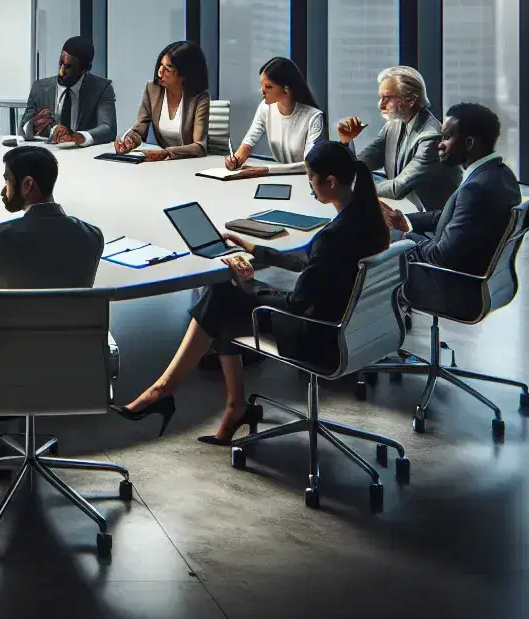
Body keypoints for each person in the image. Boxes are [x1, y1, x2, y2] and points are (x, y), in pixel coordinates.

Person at [116, 140, 390, 442]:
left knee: (224, 297)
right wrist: (253, 249)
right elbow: (311, 263)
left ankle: (167, 391)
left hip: (318, 337)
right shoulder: (368, 221)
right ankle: (227, 405)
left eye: (311, 179)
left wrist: (251, 285)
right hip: (350, 330)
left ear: (330, 181)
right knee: (226, 300)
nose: (310, 188)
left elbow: (298, 304)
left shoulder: (333, 237)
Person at [0, 145, 105, 383]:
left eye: (7, 181)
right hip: (71, 362)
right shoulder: (92, 236)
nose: (3, 191)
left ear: (28, 185)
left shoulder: (0, 238)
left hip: (9, 365)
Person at [384, 102, 522, 311]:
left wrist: (407, 238)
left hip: (454, 290)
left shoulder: (475, 189)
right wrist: (407, 221)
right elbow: (452, 215)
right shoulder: (501, 175)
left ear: (469, 143)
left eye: (447, 137)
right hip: (483, 281)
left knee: (377, 246)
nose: (440, 144)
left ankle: (375, 328)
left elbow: (441, 257)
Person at [336, 65, 459, 211]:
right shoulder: (393, 126)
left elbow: (397, 188)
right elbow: (362, 164)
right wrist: (346, 141)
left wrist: (350, 186)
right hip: (402, 211)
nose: (380, 105)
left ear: (412, 100)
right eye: (380, 97)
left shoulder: (431, 136)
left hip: (428, 221)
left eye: (387, 98)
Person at [225, 57, 327, 175]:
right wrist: (236, 159)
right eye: (262, 85)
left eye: (268, 87)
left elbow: (310, 164)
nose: (262, 91)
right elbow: (249, 140)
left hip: (307, 179)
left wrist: (267, 169)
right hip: (278, 177)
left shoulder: (313, 117)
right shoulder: (265, 108)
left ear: (286, 89)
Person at [113, 41, 213, 161]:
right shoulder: (152, 90)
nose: (160, 72)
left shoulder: (199, 97)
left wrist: (165, 153)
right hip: (164, 166)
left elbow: (199, 147)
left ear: (184, 75)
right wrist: (130, 141)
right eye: (160, 65)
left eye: (168, 69)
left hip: (191, 164)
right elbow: (140, 130)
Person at [17, 36, 117, 147]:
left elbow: (108, 129)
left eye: (68, 67)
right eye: (61, 63)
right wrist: (32, 126)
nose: (61, 71)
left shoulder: (101, 88)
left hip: (84, 157)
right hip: (48, 154)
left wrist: (78, 136)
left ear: (85, 68)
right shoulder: (40, 88)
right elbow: (22, 127)